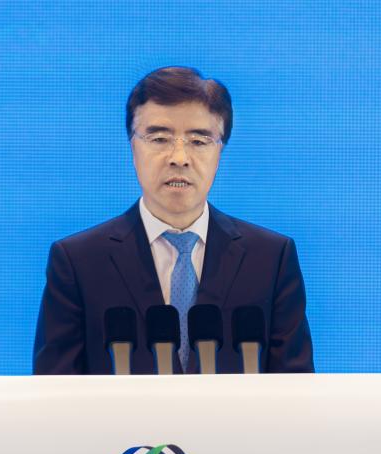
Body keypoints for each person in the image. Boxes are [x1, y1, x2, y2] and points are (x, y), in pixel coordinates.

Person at [33, 66, 313, 374]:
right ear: (132, 145)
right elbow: (55, 389)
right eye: (159, 138)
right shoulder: (79, 262)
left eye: (199, 141)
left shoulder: (270, 259)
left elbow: (295, 388)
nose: (179, 158)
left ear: (220, 151)